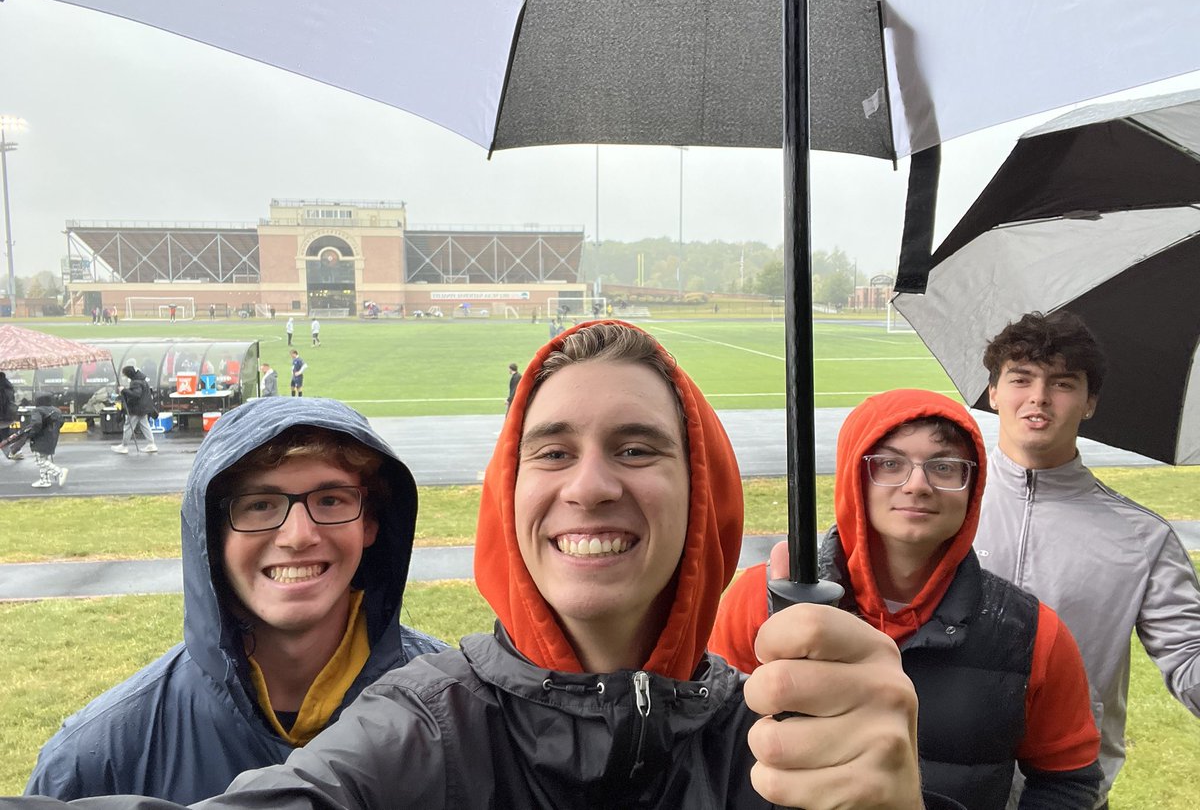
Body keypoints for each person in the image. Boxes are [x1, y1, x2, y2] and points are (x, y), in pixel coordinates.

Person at [2, 321, 934, 810]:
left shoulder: (786, 748)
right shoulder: (418, 732)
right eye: (552, 450)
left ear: (708, 496)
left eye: (638, 447)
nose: (591, 485)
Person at [24, 398, 445, 802]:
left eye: (331, 500)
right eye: (260, 505)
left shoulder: (457, 717)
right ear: (213, 535)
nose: (299, 536)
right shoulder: (100, 765)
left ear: (369, 523)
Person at [710, 389, 1101, 809]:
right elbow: (710, 744)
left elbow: (1068, 781)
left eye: (944, 467)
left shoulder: (1031, 632)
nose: (917, 485)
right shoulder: (763, 601)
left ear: (974, 485)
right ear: (854, 475)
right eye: (890, 464)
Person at [973, 310, 1200, 803]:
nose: (1038, 397)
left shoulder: (1143, 538)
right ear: (993, 393)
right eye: (1021, 378)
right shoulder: (933, 506)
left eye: (1062, 383)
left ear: (1090, 402)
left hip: (1068, 793)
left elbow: (1189, 660)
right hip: (933, 788)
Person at [22, 393, 68, 488]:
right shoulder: (56, 410)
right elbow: (61, 422)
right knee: (45, 459)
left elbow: (36, 424)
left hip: (40, 438)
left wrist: (30, 434)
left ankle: (59, 472)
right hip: (52, 437)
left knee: (40, 461)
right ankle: (44, 480)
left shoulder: (37, 410)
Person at [111, 365, 158, 455]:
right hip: (143, 408)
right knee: (145, 425)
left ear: (129, 374)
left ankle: (124, 446)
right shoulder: (142, 380)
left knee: (128, 426)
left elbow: (136, 395)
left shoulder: (135, 383)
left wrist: (124, 390)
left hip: (136, 408)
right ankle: (151, 444)